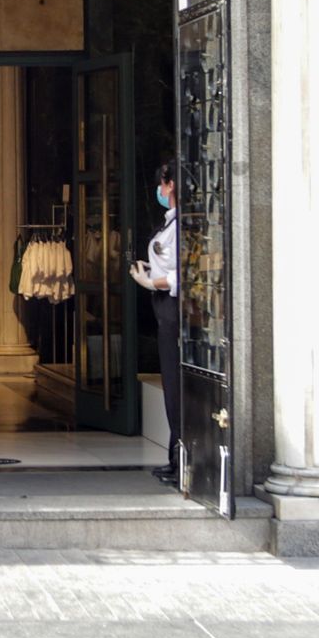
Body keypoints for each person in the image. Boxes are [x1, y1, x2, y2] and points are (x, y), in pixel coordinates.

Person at [131, 161, 180, 483]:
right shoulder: (169, 222)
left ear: (170, 185)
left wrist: (152, 283)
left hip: (174, 309)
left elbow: (184, 271)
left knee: (176, 387)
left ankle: (183, 461)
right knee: (171, 387)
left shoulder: (182, 225)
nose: (159, 192)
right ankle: (175, 457)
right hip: (164, 309)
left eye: (161, 185)